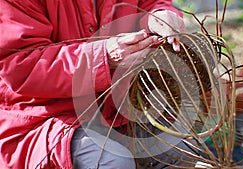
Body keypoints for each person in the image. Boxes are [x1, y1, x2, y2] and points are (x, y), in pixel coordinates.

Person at [0, 0, 188, 168]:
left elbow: (151, 3)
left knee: (181, 150)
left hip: (118, 109)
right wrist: (103, 57)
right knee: (112, 162)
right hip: (43, 118)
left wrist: (159, 16)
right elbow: (21, 63)